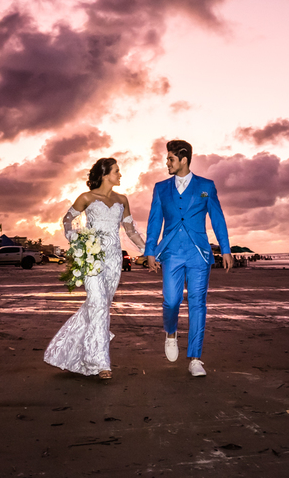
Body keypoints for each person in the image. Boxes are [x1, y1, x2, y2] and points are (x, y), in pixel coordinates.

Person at [44, 158, 146, 380]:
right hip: (91, 258)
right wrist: (78, 241)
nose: (120, 175)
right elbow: (68, 220)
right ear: (105, 174)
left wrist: (146, 250)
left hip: (113, 260)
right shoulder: (86, 198)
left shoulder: (122, 199)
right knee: (98, 303)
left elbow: (130, 230)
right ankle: (101, 364)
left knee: (100, 306)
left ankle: (69, 351)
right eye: (117, 171)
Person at [145, 140, 232, 378]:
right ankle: (170, 333)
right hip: (171, 253)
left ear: (183, 160)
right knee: (171, 302)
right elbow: (154, 221)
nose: (167, 162)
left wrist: (225, 249)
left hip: (199, 254)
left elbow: (217, 218)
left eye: (170, 158)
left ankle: (195, 358)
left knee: (197, 304)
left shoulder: (206, 186)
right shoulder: (161, 188)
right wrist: (150, 251)